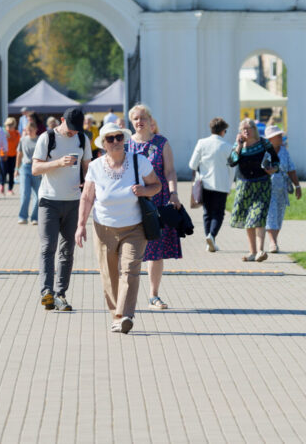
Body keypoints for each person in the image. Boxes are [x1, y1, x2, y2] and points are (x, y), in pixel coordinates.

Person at [75, 122, 161, 334]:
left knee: (130, 270)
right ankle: (115, 315)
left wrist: (144, 190)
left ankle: (125, 315)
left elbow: (157, 185)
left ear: (124, 139)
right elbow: (87, 197)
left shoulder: (138, 161)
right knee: (110, 274)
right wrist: (80, 225)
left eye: (119, 137)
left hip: (135, 228)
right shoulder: (95, 167)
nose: (115, 142)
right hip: (103, 228)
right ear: (103, 143)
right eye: (110, 139)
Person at [32, 106, 91, 312]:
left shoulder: (83, 139)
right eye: (71, 128)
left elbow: (88, 168)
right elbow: (35, 168)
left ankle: (60, 294)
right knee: (48, 247)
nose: (73, 132)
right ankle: (46, 292)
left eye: (77, 129)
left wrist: (88, 185)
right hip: (49, 200)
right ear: (61, 120)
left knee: (68, 250)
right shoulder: (47, 138)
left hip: (74, 201)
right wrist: (58, 163)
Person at [127, 104, 181, 311]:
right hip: (132, 203)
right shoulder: (125, 145)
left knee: (155, 251)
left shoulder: (161, 143)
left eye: (143, 118)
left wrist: (174, 193)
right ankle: (127, 295)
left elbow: (170, 171)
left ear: (150, 121)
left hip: (157, 203)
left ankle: (153, 295)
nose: (139, 122)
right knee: (131, 250)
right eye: (135, 119)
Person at [228, 118, 279, 261]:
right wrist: (238, 146)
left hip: (262, 185)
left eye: (248, 128)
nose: (246, 131)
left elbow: (276, 161)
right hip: (244, 186)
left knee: (258, 217)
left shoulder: (264, 143)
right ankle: (252, 252)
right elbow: (231, 162)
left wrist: (272, 169)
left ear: (254, 129)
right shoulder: (239, 145)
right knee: (248, 219)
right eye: (243, 129)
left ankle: (260, 251)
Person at [189, 117, 233, 253]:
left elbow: (192, 164)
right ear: (223, 131)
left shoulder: (202, 143)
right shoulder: (227, 146)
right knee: (218, 213)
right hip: (221, 184)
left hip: (204, 183)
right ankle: (212, 236)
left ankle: (209, 240)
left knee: (207, 213)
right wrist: (229, 185)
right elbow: (232, 168)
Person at [264, 126, 301, 253]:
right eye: (278, 136)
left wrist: (297, 186)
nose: (281, 137)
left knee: (279, 215)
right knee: (270, 214)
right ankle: (272, 242)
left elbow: (291, 168)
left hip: (282, 189)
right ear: (270, 139)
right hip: (267, 189)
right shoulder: (264, 152)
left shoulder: (284, 151)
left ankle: (274, 240)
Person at [16, 120, 42, 224]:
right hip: (25, 167)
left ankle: (35, 217)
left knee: (38, 194)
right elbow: (19, 154)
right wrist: (16, 169)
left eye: (31, 130)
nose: (30, 132)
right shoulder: (23, 140)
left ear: (36, 130)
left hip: (37, 167)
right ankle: (23, 216)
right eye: (28, 130)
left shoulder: (40, 140)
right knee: (25, 193)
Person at [2, 116, 20, 196]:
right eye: (8, 125)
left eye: (11, 125)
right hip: (4, 155)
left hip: (13, 155)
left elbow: (19, 144)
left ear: (14, 125)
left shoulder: (17, 133)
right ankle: (2, 184)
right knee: (3, 172)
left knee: (12, 173)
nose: (9, 127)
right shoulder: (3, 132)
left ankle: (10, 189)